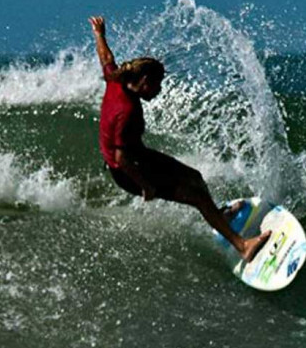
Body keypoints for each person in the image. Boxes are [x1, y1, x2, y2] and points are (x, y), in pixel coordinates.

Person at [89, 15, 270, 262]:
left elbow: (106, 59)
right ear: (144, 82)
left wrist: (100, 34)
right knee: (196, 196)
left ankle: (220, 218)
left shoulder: (117, 80)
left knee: (195, 177)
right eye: (158, 84)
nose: (160, 90)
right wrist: (145, 185)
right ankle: (243, 246)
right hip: (127, 171)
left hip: (139, 156)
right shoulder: (126, 110)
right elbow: (121, 158)